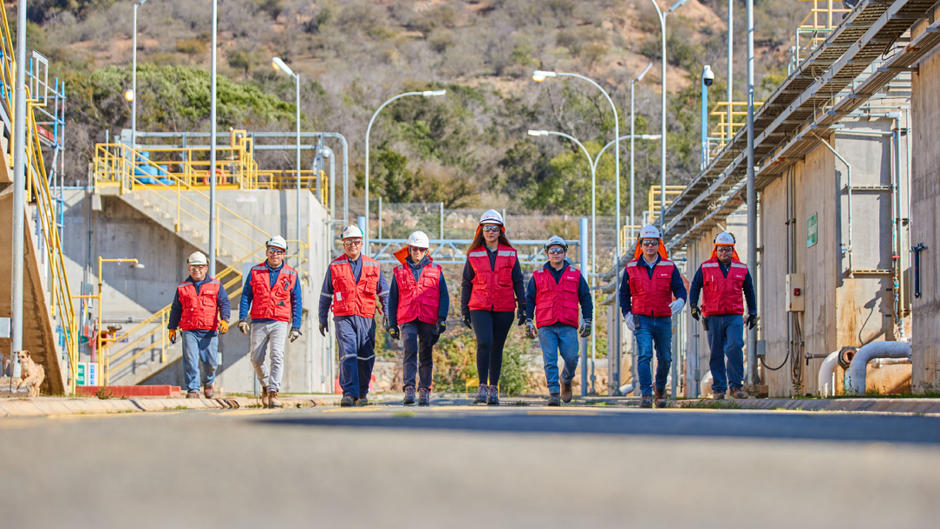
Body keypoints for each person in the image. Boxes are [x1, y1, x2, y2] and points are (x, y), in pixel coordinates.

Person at [318, 225, 389, 407]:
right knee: (348, 353)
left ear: (361, 243)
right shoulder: (335, 266)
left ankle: (362, 392)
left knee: (365, 356)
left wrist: (388, 314)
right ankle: (349, 393)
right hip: (344, 316)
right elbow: (326, 293)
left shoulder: (374, 265)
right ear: (343, 244)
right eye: (348, 242)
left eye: (356, 242)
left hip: (366, 315)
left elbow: (384, 293)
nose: (352, 245)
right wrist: (322, 317)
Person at [461, 209, 526, 406]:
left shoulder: (510, 254)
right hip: (479, 305)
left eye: (494, 228)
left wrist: (523, 306)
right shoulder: (473, 254)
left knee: (497, 346)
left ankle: (493, 388)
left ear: (500, 231)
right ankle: (482, 386)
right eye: (487, 228)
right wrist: (464, 309)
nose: (490, 232)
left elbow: (518, 281)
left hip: (504, 306)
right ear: (481, 230)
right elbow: (466, 283)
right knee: (484, 343)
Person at [619, 224, 687, 408]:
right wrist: (627, 314)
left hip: (664, 318)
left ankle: (660, 387)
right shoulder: (631, 267)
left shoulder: (669, 266)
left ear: (659, 244)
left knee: (665, 357)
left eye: (653, 243)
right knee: (644, 355)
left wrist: (681, 300)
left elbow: (680, 289)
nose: (650, 246)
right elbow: (624, 294)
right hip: (642, 318)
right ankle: (646, 394)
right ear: (641, 244)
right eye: (646, 243)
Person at [524, 235, 593, 406]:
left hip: (568, 324)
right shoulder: (538, 275)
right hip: (546, 324)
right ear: (547, 253)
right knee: (550, 359)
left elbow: (585, 298)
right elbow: (530, 299)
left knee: (571, 358)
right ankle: (554, 392)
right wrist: (528, 320)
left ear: (564, 253)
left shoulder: (575, 275)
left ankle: (566, 379)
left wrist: (588, 320)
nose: (556, 254)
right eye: (552, 251)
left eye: (559, 251)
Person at [688, 231, 757, 400]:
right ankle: (718, 388)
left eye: (727, 249)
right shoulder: (705, 267)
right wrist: (693, 306)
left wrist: (753, 312)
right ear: (716, 250)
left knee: (735, 347)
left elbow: (749, 291)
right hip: (713, 316)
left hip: (734, 315)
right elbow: (695, 286)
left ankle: (735, 386)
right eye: (720, 249)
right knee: (716, 352)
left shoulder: (741, 268)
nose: (724, 253)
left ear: (732, 250)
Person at [237, 235, 303, 408]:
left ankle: (273, 391)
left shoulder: (291, 274)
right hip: (258, 320)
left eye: (279, 251)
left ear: (284, 254)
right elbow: (246, 296)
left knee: (277, 355)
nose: (275, 254)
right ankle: (266, 384)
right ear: (267, 251)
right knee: (256, 359)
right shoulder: (255, 271)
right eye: (272, 250)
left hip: (279, 320)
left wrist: (296, 326)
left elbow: (297, 301)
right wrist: (243, 318)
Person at [387, 230, 449, 406]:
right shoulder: (399, 271)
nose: (417, 253)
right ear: (409, 249)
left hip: (428, 317)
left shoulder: (436, 271)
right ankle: (409, 388)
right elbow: (393, 298)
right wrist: (392, 323)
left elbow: (444, 296)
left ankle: (424, 389)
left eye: (421, 250)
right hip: (408, 317)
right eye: (414, 249)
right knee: (410, 348)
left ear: (426, 251)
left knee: (426, 353)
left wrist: (442, 318)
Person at [167, 251, 230, 398]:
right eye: (193, 267)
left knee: (211, 362)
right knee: (190, 360)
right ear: (189, 268)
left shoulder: (216, 285)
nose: (197, 270)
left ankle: (208, 383)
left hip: (209, 330)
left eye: (200, 267)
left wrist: (225, 320)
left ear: (206, 268)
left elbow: (224, 303)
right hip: (189, 329)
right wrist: (172, 328)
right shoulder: (182, 287)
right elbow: (176, 308)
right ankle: (193, 389)